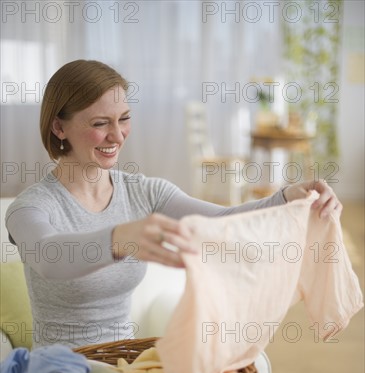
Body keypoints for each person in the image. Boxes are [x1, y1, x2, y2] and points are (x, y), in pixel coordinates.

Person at [6, 60, 343, 351]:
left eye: (123, 118)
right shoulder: (30, 208)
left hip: (123, 365)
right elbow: (50, 257)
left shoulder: (144, 192)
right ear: (59, 127)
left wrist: (287, 198)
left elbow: (224, 220)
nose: (118, 135)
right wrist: (120, 238)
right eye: (99, 123)